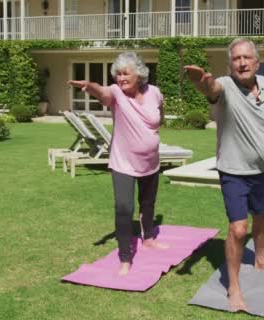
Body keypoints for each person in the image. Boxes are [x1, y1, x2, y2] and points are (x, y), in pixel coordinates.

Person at [184, 38, 264, 312]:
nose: (242, 63)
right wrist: (201, 82)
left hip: (262, 169)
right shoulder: (225, 87)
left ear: (257, 62)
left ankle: (261, 260)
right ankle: (233, 286)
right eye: (236, 59)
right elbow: (211, 89)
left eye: (247, 58)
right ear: (230, 64)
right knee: (238, 228)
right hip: (233, 170)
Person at [69, 52, 168, 276]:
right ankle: (125, 257)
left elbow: (160, 113)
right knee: (125, 208)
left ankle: (149, 239)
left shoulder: (154, 92)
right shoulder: (116, 93)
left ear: (139, 74)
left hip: (150, 160)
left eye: (125, 73)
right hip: (123, 161)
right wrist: (90, 86)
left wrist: (154, 129)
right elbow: (102, 92)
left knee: (148, 202)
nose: (120, 78)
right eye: (118, 74)